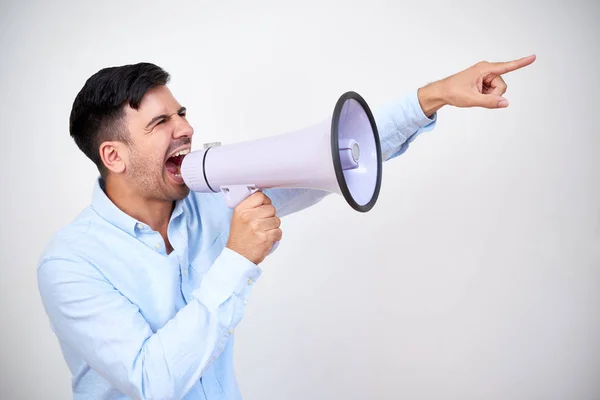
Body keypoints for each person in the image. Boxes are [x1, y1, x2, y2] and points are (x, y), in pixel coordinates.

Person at [37, 54, 536, 400]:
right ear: (113, 155)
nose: (185, 128)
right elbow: (154, 381)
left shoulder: (210, 194)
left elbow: (334, 154)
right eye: (160, 123)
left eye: (182, 113)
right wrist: (237, 259)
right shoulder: (71, 265)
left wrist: (433, 97)